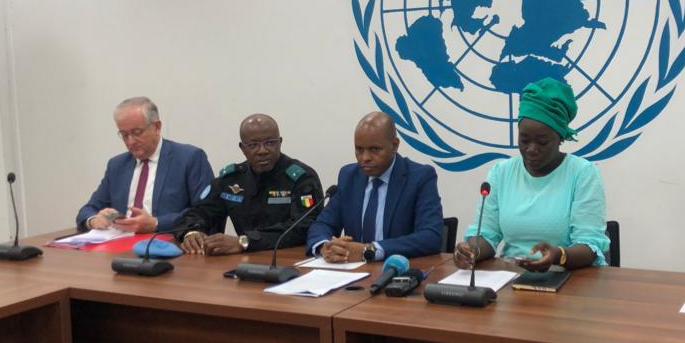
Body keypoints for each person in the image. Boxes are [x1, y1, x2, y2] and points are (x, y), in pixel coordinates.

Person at [453, 78, 609, 271]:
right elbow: (486, 234)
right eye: (524, 140)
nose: (531, 149)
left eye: (542, 142)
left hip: (569, 277)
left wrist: (557, 255)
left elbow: (589, 246)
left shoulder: (582, 173)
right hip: (511, 276)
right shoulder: (501, 172)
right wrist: (471, 251)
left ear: (560, 138)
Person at [177, 114, 324, 255]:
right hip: (243, 259)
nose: (262, 151)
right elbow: (199, 212)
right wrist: (191, 232)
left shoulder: (302, 178)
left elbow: (304, 226)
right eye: (253, 145)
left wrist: (245, 242)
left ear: (280, 142)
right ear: (242, 148)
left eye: (270, 143)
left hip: (288, 258)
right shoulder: (231, 180)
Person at [306, 112, 443, 262]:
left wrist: (370, 250)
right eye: (359, 149)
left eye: (374, 149)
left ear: (394, 145)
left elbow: (431, 237)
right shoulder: (348, 176)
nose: (365, 158)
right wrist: (325, 247)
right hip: (352, 270)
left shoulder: (420, 177)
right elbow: (322, 224)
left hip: (397, 269)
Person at [75, 97, 213, 233]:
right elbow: (88, 210)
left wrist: (156, 223)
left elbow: (206, 212)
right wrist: (93, 220)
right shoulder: (117, 165)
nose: (130, 141)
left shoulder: (189, 158)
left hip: (166, 241)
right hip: (119, 241)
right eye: (124, 135)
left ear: (157, 127)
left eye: (137, 132)